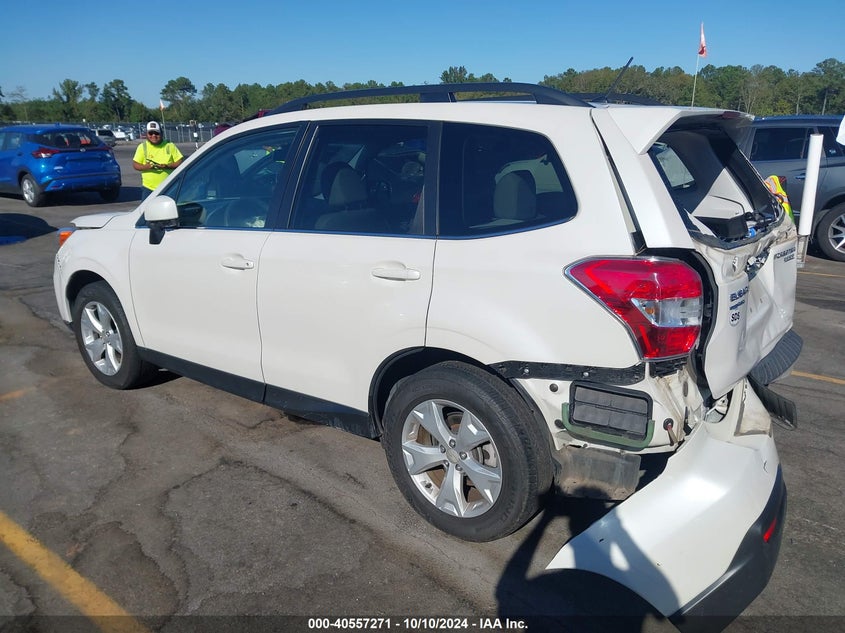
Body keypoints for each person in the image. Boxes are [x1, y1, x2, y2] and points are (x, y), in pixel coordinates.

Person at [133, 121, 185, 200]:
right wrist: (146, 167)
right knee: (146, 211)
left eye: (156, 133)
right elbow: (135, 165)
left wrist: (168, 166)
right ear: (147, 134)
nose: (154, 136)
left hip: (168, 187)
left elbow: (180, 162)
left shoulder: (169, 145)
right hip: (149, 189)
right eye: (151, 133)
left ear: (161, 133)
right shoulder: (142, 147)